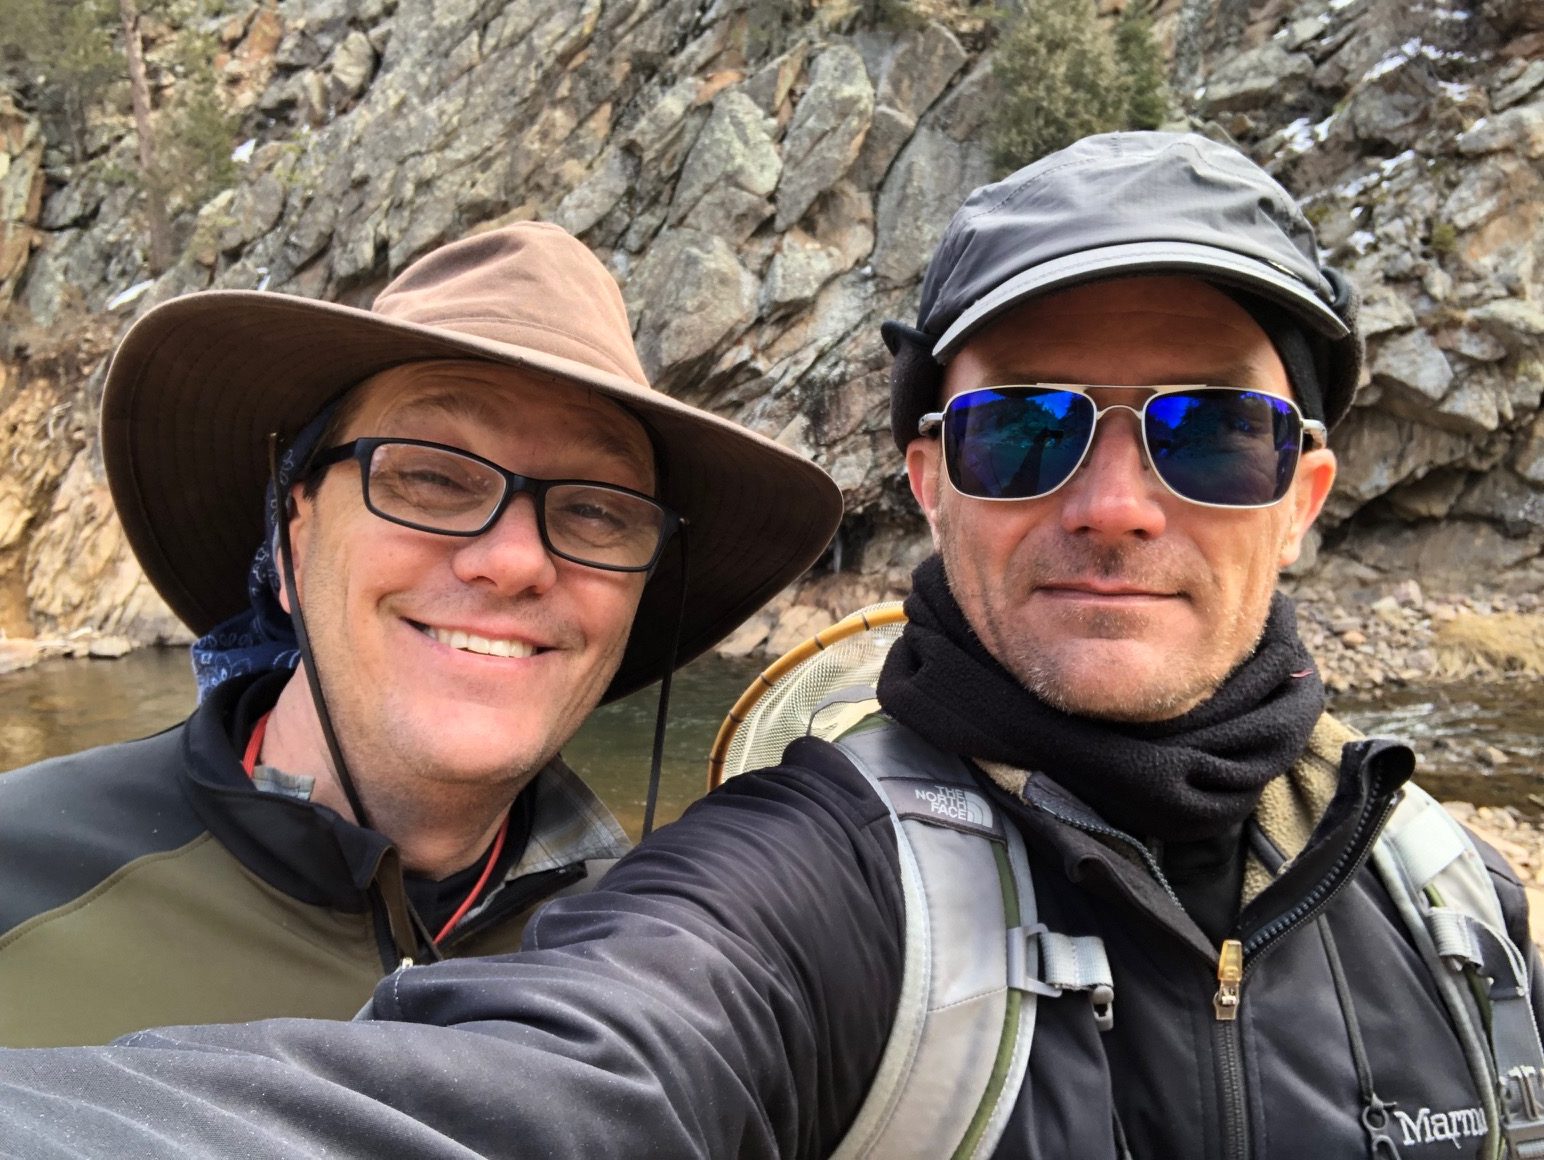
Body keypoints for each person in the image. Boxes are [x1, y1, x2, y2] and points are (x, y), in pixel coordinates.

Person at [0, 132, 1537, 1160]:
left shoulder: (1460, 907)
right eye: (1023, 431)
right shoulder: (801, 894)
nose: (1121, 506)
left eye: (1212, 431)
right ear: (289, 529)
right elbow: (584, 1071)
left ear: (1310, 493)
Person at [0, 220, 842, 1047]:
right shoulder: (22, 884)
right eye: (433, 477)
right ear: (294, 545)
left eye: (595, 510)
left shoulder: (662, 949)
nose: (514, 561)